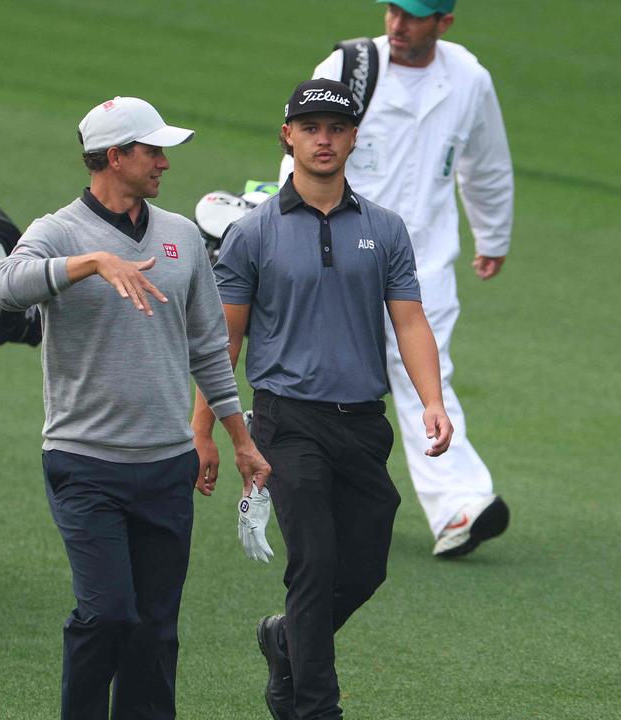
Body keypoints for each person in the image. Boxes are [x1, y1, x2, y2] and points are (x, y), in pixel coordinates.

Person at [0, 96, 270, 720]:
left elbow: (208, 345)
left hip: (166, 466)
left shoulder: (179, 237)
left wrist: (237, 439)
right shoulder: (59, 231)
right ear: (114, 157)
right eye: (152, 151)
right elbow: (6, 286)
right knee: (107, 613)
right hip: (84, 464)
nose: (165, 162)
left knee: (155, 630)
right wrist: (89, 263)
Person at [195, 78, 452, 720]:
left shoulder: (385, 229)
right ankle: (314, 707)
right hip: (288, 422)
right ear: (289, 136)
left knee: (364, 567)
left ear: (353, 138)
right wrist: (206, 431)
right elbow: (223, 341)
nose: (323, 139)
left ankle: (285, 640)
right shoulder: (251, 234)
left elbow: (411, 321)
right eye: (310, 128)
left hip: (363, 424)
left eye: (335, 128)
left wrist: (433, 401)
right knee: (314, 561)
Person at [281, 0, 514, 557]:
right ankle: (322, 496)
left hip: (424, 258)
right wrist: (292, 237)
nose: (398, 24)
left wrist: (494, 233)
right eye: (393, 10)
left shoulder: (468, 78)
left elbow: (485, 161)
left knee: (424, 376)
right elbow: (297, 153)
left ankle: (461, 504)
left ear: (444, 23)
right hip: (335, 251)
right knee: (327, 377)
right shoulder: (349, 67)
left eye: (414, 15)